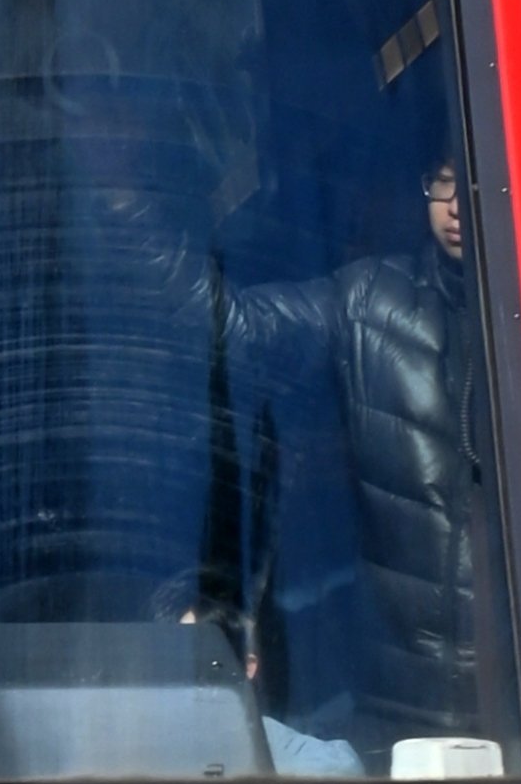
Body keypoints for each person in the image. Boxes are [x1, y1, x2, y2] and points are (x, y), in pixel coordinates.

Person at [205, 154, 489, 747]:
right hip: (398, 705)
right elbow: (236, 326)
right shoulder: (369, 299)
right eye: (441, 180)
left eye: (475, 176)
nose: (455, 203)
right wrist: (125, 206)